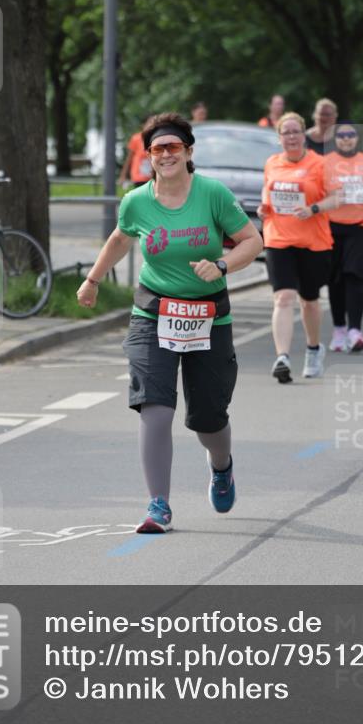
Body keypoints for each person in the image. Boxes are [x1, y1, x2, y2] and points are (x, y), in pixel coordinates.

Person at [77, 112, 263, 533]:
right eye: (158, 149)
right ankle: (157, 505)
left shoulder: (212, 194)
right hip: (154, 312)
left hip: (208, 316)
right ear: (149, 157)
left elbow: (253, 240)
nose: (166, 155)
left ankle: (221, 467)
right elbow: (121, 237)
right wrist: (92, 281)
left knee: (209, 418)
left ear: (188, 151)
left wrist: (221, 264)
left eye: (173, 147)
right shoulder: (137, 201)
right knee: (155, 409)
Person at [258, 112, 340, 382]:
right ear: (279, 137)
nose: (291, 137)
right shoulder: (272, 163)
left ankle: (314, 349)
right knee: (283, 297)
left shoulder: (320, 163)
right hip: (278, 238)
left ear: (303, 135)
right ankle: (282, 357)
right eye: (286, 132)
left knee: (309, 301)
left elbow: (337, 197)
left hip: (313, 242)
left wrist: (313, 208)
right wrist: (263, 207)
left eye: (295, 132)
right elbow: (267, 191)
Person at [323, 122, 363, 352]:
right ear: (335, 139)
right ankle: (338, 330)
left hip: (360, 226)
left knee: (355, 278)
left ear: (356, 139)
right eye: (341, 135)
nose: (346, 139)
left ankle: (355, 331)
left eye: (350, 135)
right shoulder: (326, 162)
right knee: (335, 279)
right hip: (331, 226)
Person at [119, 120, 152, 188]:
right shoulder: (136, 138)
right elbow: (129, 159)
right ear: (143, 125)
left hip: (152, 177)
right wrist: (123, 175)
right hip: (139, 176)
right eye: (149, 123)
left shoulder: (157, 138)